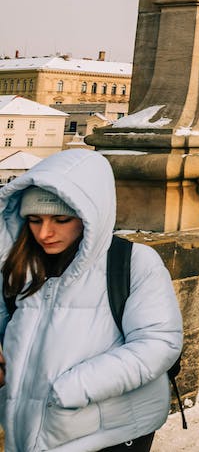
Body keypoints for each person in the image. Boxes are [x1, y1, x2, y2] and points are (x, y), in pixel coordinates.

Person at [0, 150, 183, 452]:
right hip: (27, 429)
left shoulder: (132, 262)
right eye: (34, 220)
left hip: (107, 433)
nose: (45, 233)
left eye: (60, 219)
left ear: (89, 215)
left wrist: (70, 389)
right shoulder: (21, 263)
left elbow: (158, 344)